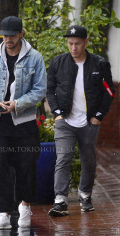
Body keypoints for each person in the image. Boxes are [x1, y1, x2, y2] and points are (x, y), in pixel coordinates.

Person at [0, 16, 46, 229]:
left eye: (12, 35)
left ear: (21, 34)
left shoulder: (35, 58)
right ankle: (4, 214)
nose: (8, 39)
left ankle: (24, 206)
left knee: (25, 165)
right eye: (5, 35)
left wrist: (17, 104)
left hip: (24, 121)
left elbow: (40, 90)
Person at [47, 25, 115, 216]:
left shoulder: (99, 64)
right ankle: (60, 200)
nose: (73, 48)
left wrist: (98, 116)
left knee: (89, 160)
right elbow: (49, 90)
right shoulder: (58, 63)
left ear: (86, 42)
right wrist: (57, 113)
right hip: (65, 121)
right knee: (63, 159)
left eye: (77, 43)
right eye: (70, 43)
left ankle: (85, 194)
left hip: (89, 122)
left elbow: (109, 92)